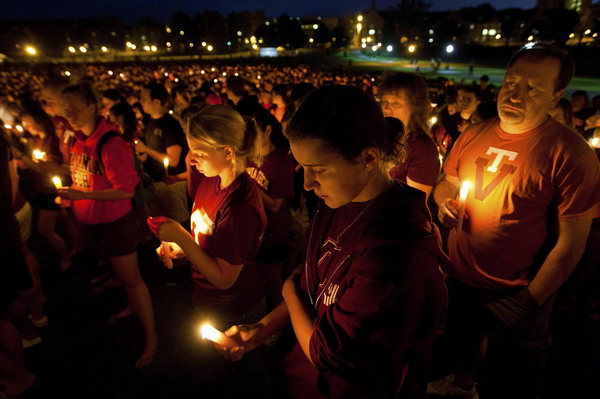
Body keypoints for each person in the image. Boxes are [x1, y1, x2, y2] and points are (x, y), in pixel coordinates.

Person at [218, 85, 448, 398]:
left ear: (368, 157)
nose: (308, 184)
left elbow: (330, 355)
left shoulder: (396, 254)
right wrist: (261, 330)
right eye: (303, 167)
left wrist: (286, 287)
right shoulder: (334, 205)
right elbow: (313, 285)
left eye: (319, 169)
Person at [430, 43, 600, 399]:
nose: (516, 94)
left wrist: (532, 298)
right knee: (464, 344)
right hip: (462, 276)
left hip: (518, 288)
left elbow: (572, 242)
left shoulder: (571, 153)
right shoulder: (475, 133)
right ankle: (461, 386)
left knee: (516, 372)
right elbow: (449, 181)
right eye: (512, 82)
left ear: (556, 97)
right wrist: (445, 199)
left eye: (533, 88)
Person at [151, 104, 272, 396]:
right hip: (207, 299)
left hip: (236, 308)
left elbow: (224, 277)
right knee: (217, 375)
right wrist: (179, 250)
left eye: (200, 153)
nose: (192, 161)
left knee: (249, 375)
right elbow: (206, 241)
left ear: (227, 152)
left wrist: (180, 236)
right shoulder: (211, 181)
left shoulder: (240, 205)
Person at [57, 83, 158, 368]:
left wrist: (82, 195)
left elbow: (125, 190)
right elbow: (85, 177)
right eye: (66, 110)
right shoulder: (76, 140)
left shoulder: (111, 143)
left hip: (116, 222)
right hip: (93, 222)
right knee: (122, 276)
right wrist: (72, 195)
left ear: (93, 105)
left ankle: (152, 338)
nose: (70, 114)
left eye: (76, 107)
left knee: (133, 280)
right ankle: (130, 307)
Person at [379, 72, 440, 199]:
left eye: (396, 103)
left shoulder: (423, 150)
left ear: (415, 108)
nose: (387, 109)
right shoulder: (377, 136)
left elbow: (412, 205)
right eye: (384, 102)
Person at [137, 82, 189, 223]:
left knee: (177, 222)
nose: (140, 102)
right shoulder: (150, 122)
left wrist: (145, 149)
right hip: (155, 182)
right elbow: (152, 152)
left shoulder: (170, 125)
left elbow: (173, 160)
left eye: (144, 98)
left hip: (170, 183)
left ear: (156, 102)